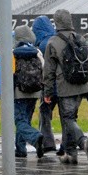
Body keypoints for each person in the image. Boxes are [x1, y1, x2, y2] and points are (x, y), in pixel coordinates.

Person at [43, 9, 88, 165]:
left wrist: (47, 92)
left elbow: (49, 71)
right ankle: (71, 154)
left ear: (57, 22)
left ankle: (84, 142)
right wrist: (85, 78)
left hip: (65, 87)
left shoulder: (53, 42)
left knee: (67, 119)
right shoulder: (80, 38)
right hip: (82, 86)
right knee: (71, 118)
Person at [12, 25, 44, 159]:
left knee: (20, 121)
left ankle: (36, 138)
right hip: (35, 91)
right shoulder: (36, 52)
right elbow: (43, 68)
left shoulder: (13, 53)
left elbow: (11, 74)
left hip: (20, 92)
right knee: (26, 120)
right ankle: (20, 149)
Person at [32, 16, 58, 153]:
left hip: (49, 87)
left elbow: (46, 71)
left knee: (45, 112)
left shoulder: (42, 45)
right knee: (67, 117)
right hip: (64, 86)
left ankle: (48, 142)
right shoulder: (58, 41)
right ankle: (66, 145)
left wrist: (47, 91)